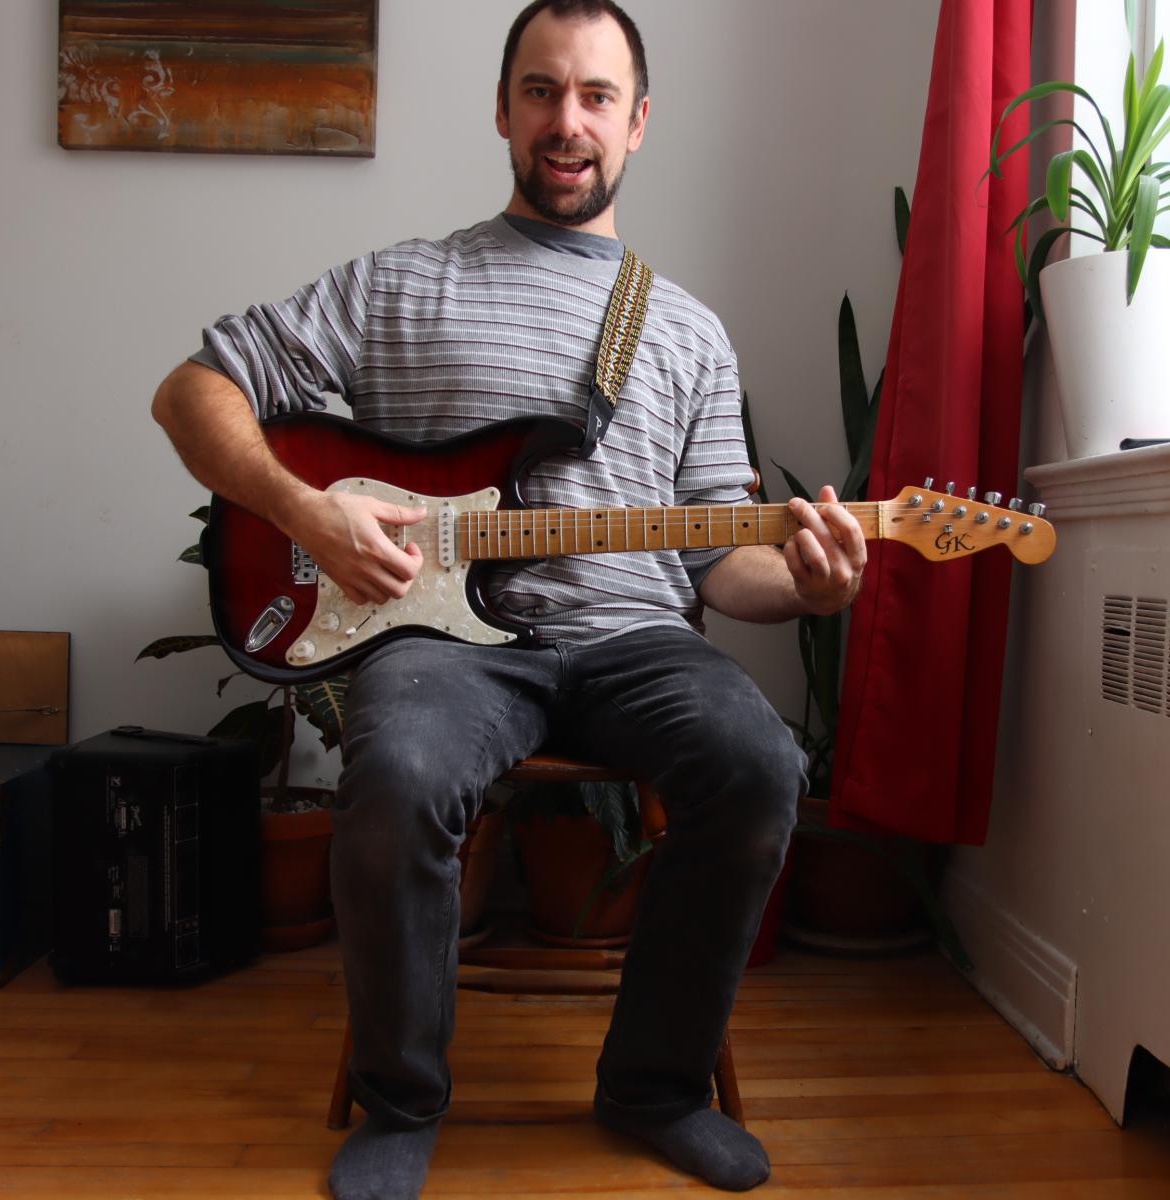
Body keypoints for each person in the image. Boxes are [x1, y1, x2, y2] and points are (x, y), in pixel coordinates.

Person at [152, 2, 866, 1196]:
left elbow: (714, 564)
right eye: (541, 91)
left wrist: (799, 584)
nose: (567, 121)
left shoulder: (688, 330)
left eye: (595, 96)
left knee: (758, 763)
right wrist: (303, 509)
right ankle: (401, 1102)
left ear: (638, 123)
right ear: (502, 111)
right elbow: (192, 392)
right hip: (449, 648)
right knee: (399, 774)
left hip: (638, 640)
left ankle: (654, 1085)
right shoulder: (400, 287)